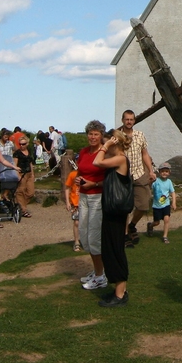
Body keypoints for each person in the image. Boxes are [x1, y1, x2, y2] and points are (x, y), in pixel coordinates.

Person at [93, 129, 132, 307]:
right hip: (110, 211)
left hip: (116, 213)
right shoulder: (115, 161)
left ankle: (120, 294)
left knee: (115, 250)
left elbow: (97, 162)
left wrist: (106, 145)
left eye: (108, 143)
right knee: (108, 249)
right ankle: (118, 289)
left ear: (114, 143)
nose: (105, 146)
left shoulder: (121, 158)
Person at [76, 120, 108, 290]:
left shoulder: (105, 153)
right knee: (84, 234)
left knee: (95, 237)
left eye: (96, 134)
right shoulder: (83, 152)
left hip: (97, 197)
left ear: (102, 136)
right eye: (90, 133)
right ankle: (97, 270)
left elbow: (111, 179)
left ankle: (100, 276)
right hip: (83, 196)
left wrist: (94, 184)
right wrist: (78, 179)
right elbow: (81, 171)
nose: (93, 137)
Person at [120, 110, 155, 248]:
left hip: (139, 174)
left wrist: (151, 171)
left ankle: (132, 225)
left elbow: (145, 154)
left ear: (134, 121)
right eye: (127, 119)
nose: (129, 121)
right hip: (123, 176)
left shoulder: (140, 135)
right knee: (125, 208)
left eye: (131, 119)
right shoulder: (118, 136)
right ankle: (125, 234)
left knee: (143, 204)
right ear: (123, 120)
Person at [148, 162, 177, 243]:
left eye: (166, 171)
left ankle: (165, 236)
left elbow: (173, 192)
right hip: (156, 206)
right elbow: (149, 187)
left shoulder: (169, 182)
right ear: (159, 172)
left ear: (169, 172)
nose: (164, 173)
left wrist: (174, 203)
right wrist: (150, 182)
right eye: (162, 171)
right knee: (157, 222)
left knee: (166, 219)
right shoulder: (156, 181)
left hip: (166, 205)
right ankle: (150, 225)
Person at [13, 135, 36, 217]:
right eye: (20, 144)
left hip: (29, 173)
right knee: (20, 191)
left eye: (23, 144)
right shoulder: (17, 153)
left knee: (31, 192)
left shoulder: (29, 151)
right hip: (21, 173)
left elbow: (30, 163)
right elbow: (15, 165)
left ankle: (20, 205)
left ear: (27, 143)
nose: (22, 146)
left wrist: (32, 174)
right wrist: (17, 174)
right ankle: (23, 210)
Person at [65, 168, 82, 251]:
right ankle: (76, 242)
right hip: (75, 202)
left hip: (85, 201)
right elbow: (67, 187)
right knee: (76, 222)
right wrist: (67, 202)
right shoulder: (72, 174)